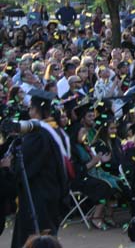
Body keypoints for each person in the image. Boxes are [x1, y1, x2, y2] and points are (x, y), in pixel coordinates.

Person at [10, 89, 70, 248]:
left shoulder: (38, 134)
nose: (29, 111)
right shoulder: (55, 131)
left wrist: (11, 168)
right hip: (51, 193)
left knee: (35, 239)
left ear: (36, 110)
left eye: (30, 108)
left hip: (36, 197)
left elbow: (25, 167)